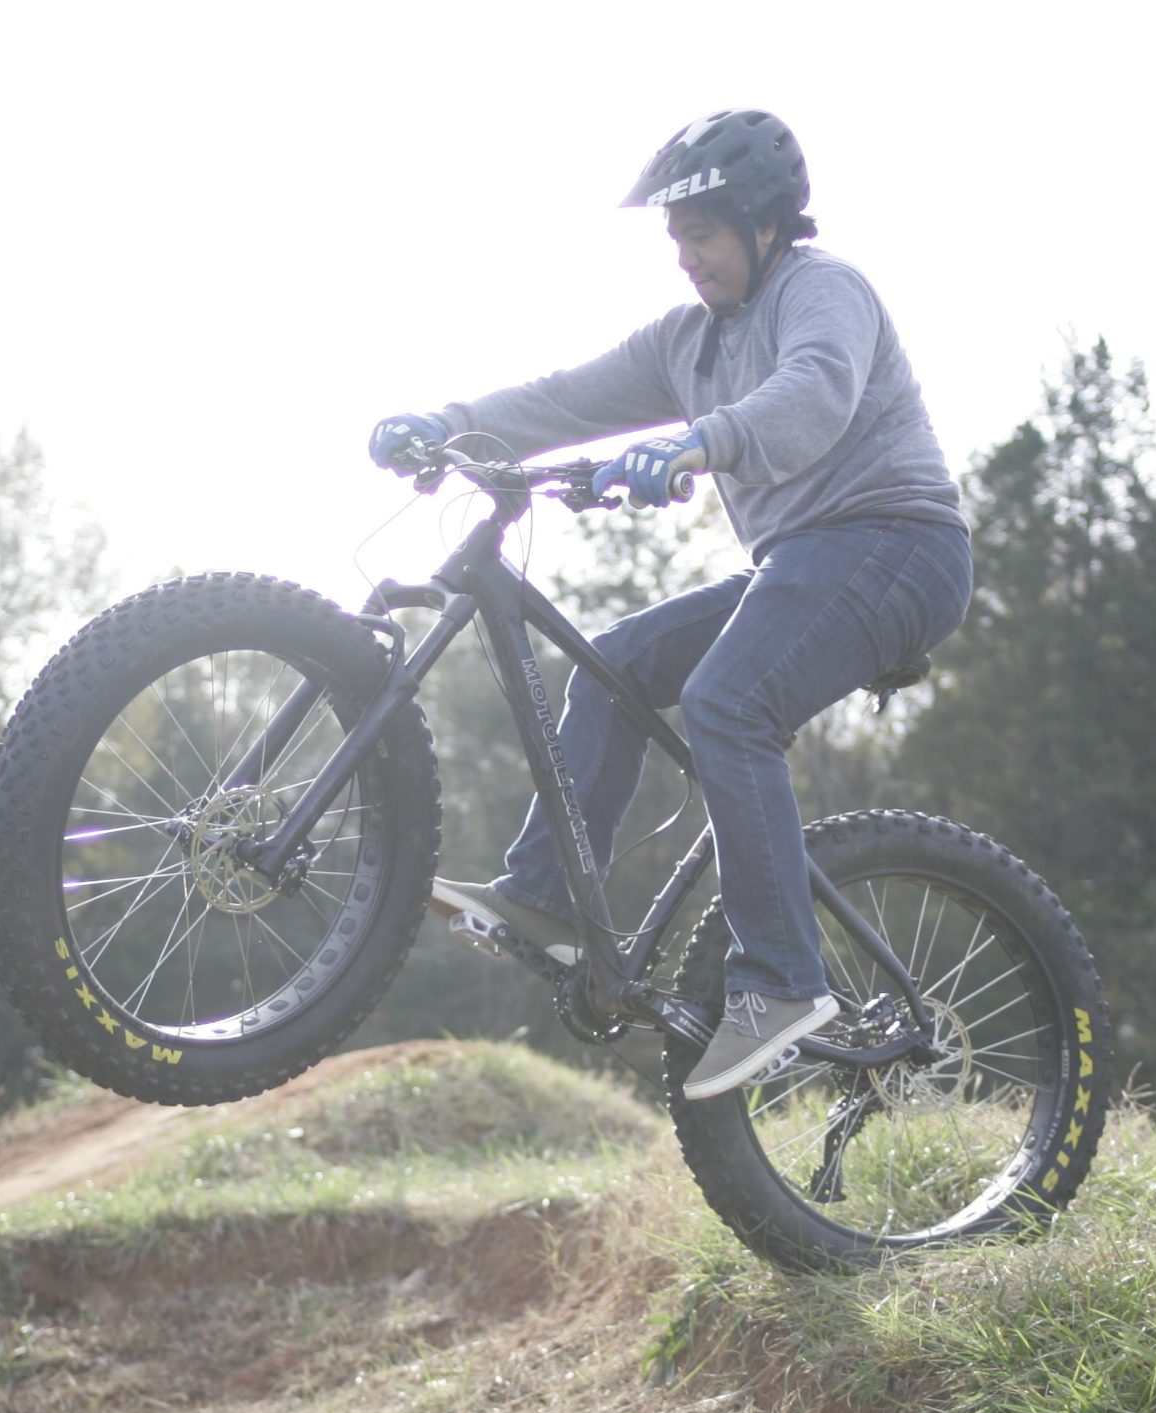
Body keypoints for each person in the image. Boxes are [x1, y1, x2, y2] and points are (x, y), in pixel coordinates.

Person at [368, 109, 973, 1101]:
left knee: (732, 702)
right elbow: (569, 397)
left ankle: (782, 980)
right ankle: (545, 903)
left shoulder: (826, 292)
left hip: (898, 548)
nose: (686, 259)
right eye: (675, 241)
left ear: (763, 224)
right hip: (801, 564)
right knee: (612, 668)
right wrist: (453, 422)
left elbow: (814, 392)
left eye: (703, 236)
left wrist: (697, 444)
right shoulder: (688, 343)